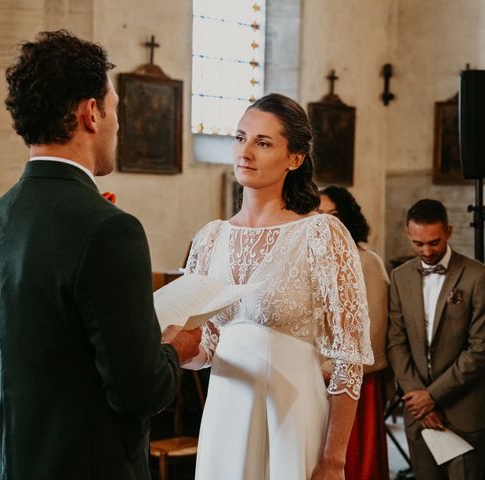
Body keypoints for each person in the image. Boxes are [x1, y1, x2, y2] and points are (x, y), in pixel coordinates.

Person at [0, 30, 200, 480]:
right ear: (91, 113)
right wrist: (174, 348)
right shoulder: (110, 229)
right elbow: (138, 392)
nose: (117, 123)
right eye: (115, 109)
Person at [182, 93, 373, 479]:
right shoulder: (210, 238)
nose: (245, 151)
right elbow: (207, 345)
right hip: (225, 415)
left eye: (263, 142)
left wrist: (333, 459)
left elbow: (348, 361)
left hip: (292, 416)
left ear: (295, 158)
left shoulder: (322, 234)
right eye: (240, 138)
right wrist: (176, 347)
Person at [387, 199, 485, 480]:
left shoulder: (477, 276)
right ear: (408, 233)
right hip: (418, 412)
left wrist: (433, 396)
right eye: (418, 244)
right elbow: (396, 341)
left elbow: (479, 350)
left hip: (463, 410)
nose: (427, 251)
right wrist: (419, 398)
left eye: (434, 242)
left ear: (449, 232)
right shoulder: (399, 276)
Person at [319, 185, 390, 480]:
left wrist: (328, 369)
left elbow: (372, 332)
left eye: (331, 215)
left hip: (354, 380)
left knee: (354, 463)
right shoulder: (314, 259)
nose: (324, 223)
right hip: (315, 379)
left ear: (347, 216)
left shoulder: (367, 261)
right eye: (317, 215)